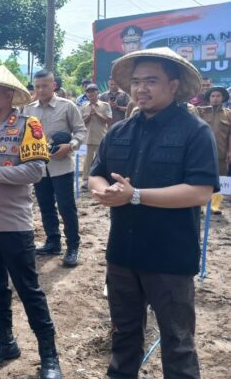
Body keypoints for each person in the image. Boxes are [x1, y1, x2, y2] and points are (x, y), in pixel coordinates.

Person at [89, 47, 217, 379]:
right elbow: (96, 172)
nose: (140, 88)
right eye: (135, 81)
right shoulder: (119, 131)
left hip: (170, 260)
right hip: (123, 256)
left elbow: (201, 191)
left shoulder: (195, 132)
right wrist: (102, 190)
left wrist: (136, 196)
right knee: (123, 335)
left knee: (177, 342)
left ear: (173, 86)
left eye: (151, 81)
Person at [0, 66, 62, 379]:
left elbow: (35, 172)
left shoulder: (28, 126)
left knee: (29, 289)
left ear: (8, 94)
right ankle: (6, 342)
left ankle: (49, 356)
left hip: (14, 224)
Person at [23, 70, 87, 267]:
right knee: (45, 205)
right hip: (39, 167)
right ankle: (53, 242)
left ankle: (73, 247)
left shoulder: (67, 106)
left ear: (54, 86)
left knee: (67, 207)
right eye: (37, 86)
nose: (40, 90)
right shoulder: (28, 109)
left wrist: (71, 146)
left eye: (45, 85)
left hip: (62, 166)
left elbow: (80, 130)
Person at [197, 86, 231, 214]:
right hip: (202, 153)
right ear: (209, 98)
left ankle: (215, 206)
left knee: (220, 180)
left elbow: (230, 135)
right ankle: (199, 205)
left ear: (223, 98)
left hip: (221, 153)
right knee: (199, 178)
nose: (215, 98)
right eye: (213, 96)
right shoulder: (201, 112)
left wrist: (230, 151)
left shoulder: (229, 114)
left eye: (218, 96)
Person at [80, 84, 112, 189]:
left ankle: (101, 179)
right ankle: (85, 180)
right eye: (89, 92)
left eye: (93, 92)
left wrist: (96, 113)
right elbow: (81, 122)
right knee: (87, 160)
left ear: (97, 93)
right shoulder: (83, 106)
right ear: (86, 94)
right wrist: (90, 114)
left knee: (101, 160)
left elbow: (108, 120)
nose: (91, 94)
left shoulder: (105, 105)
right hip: (88, 137)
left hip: (101, 137)